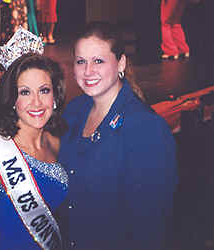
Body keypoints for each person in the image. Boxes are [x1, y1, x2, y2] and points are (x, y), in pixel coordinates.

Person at [58, 21, 178, 250]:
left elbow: (151, 225)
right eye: (81, 61)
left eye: (98, 61)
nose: (88, 71)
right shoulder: (74, 112)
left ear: (121, 63)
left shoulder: (146, 128)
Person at [0, 34, 68, 249]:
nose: (36, 102)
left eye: (44, 90)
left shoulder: (58, 141)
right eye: (25, 92)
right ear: (11, 99)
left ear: (55, 95)